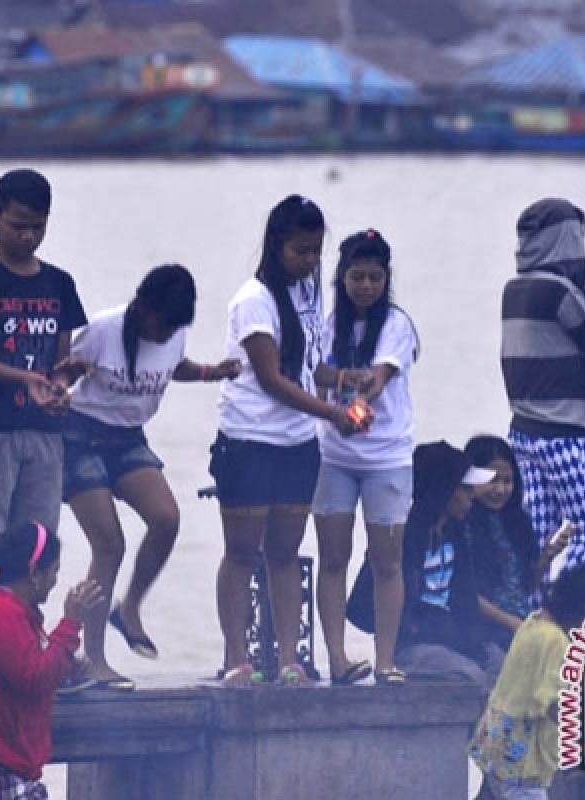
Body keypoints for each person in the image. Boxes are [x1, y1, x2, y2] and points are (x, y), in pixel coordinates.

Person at [64, 265, 240, 688]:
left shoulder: (174, 334)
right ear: (142, 308)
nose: (163, 337)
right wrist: (66, 374)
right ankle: (92, 659)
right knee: (109, 543)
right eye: (159, 327)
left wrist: (208, 372)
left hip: (127, 439)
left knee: (167, 519)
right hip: (79, 436)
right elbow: (63, 374)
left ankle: (129, 608)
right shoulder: (103, 330)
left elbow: (172, 365)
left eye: (172, 330)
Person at [209, 195, 358, 687]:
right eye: (300, 251)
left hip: (298, 444)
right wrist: (332, 414)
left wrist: (349, 390)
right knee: (241, 552)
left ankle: (290, 658)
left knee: (285, 552)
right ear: (276, 245)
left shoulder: (308, 295)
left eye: (316, 251)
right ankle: (237, 658)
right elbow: (272, 378)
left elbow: (311, 365)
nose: (310, 261)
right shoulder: (253, 299)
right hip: (249, 440)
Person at [0, 168, 89, 596]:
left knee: (36, 553)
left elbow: (59, 363)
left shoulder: (59, 283)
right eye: (18, 226)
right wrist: (25, 378)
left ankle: (23, 653)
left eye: (37, 227)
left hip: (44, 433)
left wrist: (64, 382)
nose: (28, 237)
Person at [312, 229, 418, 686]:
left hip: (387, 458)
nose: (366, 286)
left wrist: (360, 383)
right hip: (333, 455)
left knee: (386, 562)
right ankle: (336, 658)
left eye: (375, 278)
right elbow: (313, 370)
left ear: (386, 279)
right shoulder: (325, 324)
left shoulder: (397, 324)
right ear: (342, 276)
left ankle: (385, 660)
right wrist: (339, 376)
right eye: (358, 277)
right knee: (333, 558)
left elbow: (380, 377)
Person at [0, 522, 102, 800]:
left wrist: (67, 665)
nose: (55, 581)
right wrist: (71, 622)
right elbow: (33, 677)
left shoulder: (13, 611)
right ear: (34, 574)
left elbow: (22, 669)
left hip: (2, 762)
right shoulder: (0, 611)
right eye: (54, 571)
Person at [500, 198, 585, 572]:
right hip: (561, 431)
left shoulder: (513, 288)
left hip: (524, 431)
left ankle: (531, 614)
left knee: (539, 534)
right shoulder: (560, 291)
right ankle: (563, 610)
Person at [469, 561, 585, 800]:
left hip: (496, 746)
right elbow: (554, 705)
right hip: (522, 761)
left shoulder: (534, 623)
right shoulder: (556, 642)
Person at [373, 441, 494, 687]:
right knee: (476, 679)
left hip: (452, 640)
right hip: (414, 647)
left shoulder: (455, 532)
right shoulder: (405, 537)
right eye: (466, 488)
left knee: (506, 666)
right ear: (444, 490)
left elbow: (464, 597)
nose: (473, 496)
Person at [462, 435, 567, 651]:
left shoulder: (518, 522)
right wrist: (514, 624)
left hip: (519, 623)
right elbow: (465, 592)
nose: (500, 490)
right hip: (483, 631)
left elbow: (524, 587)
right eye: (492, 480)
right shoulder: (463, 525)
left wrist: (546, 557)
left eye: (507, 481)